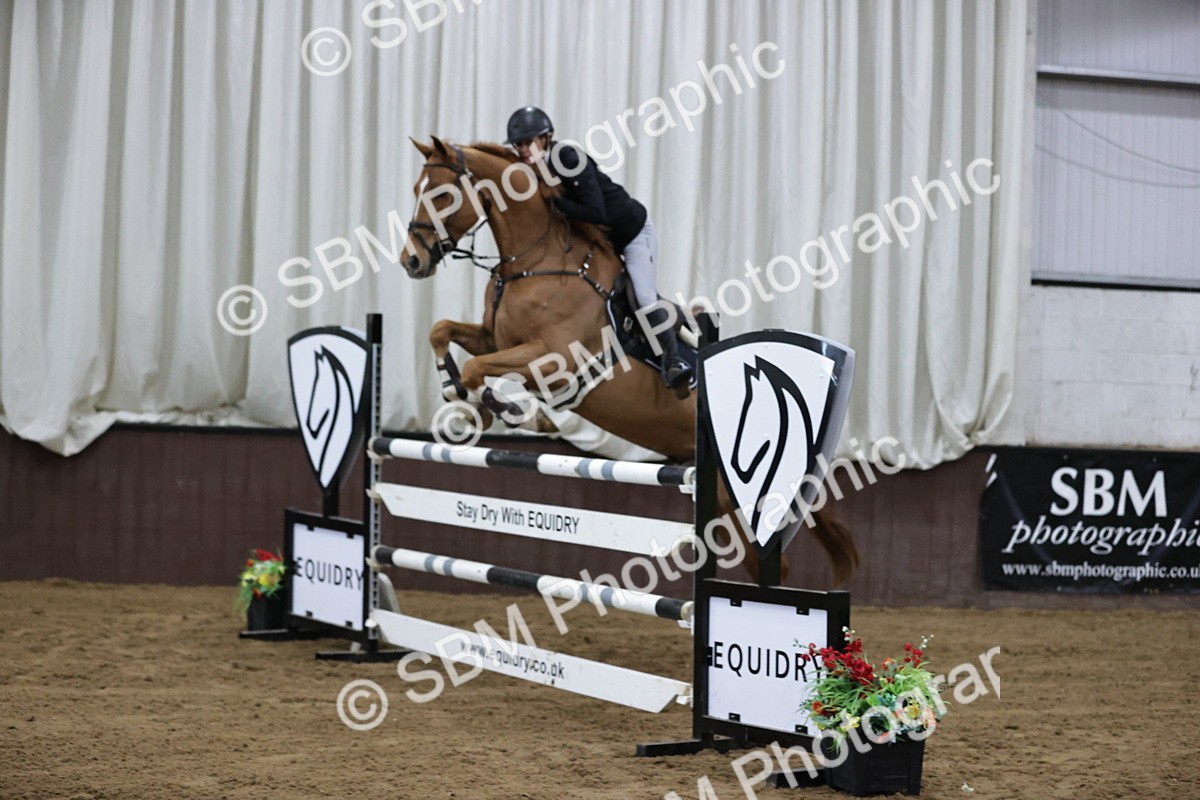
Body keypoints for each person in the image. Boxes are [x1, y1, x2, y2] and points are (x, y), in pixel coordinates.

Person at [504, 105, 692, 390]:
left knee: (643, 296)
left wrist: (555, 204)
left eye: (529, 142)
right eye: (519, 145)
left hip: (632, 232)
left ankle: (674, 361)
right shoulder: (533, 171)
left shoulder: (568, 158)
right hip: (603, 242)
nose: (523, 149)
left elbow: (596, 211)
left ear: (546, 138)